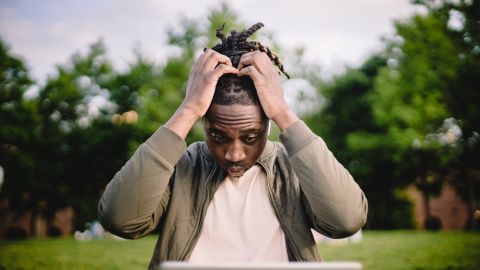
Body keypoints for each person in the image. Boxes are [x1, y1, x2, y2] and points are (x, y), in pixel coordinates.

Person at [98, 23, 368, 269]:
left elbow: (346, 220)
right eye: (218, 136)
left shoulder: (295, 166)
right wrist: (187, 109)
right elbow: (120, 220)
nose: (234, 154)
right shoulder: (181, 165)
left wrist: (284, 112)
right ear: (203, 123)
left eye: (250, 137)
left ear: (268, 124)